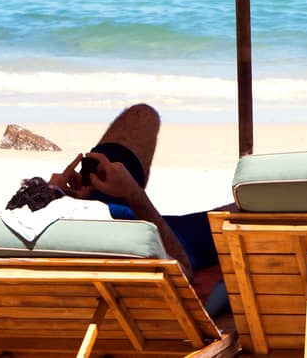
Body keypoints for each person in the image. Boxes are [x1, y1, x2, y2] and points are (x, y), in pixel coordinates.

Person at [47, 103, 222, 285]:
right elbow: (181, 269)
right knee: (238, 215)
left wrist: (56, 197)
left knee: (142, 114)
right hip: (146, 239)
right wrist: (133, 193)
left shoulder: (22, 241)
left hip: (77, 222)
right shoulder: (130, 233)